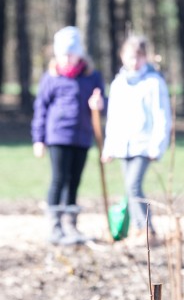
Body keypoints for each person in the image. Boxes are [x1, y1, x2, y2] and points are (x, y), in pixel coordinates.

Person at [31, 26, 105, 246]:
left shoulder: (91, 77)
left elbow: (103, 103)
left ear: (79, 53)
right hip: (57, 136)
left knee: (74, 181)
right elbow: (41, 109)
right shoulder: (51, 78)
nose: (67, 58)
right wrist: (38, 138)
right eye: (63, 54)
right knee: (59, 179)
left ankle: (71, 224)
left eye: (71, 53)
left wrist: (100, 104)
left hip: (82, 136)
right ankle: (55, 225)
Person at [100, 35, 172, 246]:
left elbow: (161, 116)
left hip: (144, 144)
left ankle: (147, 230)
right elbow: (113, 118)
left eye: (139, 57)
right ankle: (139, 229)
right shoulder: (118, 83)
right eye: (130, 57)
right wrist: (109, 147)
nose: (134, 62)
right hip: (123, 145)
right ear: (122, 56)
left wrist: (156, 146)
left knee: (133, 186)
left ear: (145, 57)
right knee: (129, 187)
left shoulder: (153, 82)